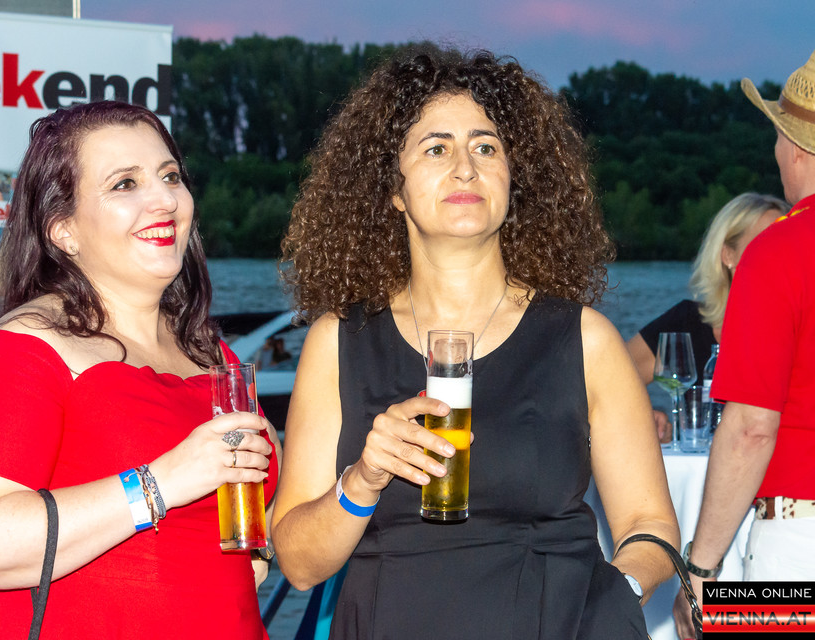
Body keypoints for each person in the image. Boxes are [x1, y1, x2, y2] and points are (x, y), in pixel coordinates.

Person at [273, 45, 678, 639]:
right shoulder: (339, 340)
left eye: (486, 147)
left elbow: (651, 526)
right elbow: (299, 564)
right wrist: (363, 478)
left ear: (514, 180)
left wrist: (612, 600)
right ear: (392, 188)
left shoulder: (584, 339)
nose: (465, 167)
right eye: (436, 148)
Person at [0, 101, 279, 638]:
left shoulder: (209, 351)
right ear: (63, 229)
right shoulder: (21, 351)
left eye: (170, 177)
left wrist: (261, 546)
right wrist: (161, 483)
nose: (165, 200)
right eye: (125, 184)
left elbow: (251, 493)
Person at [673, 50, 815, 639]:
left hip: (799, 545)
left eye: (777, 135)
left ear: (797, 147)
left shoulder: (778, 250)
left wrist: (700, 572)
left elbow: (752, 427)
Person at [626, 193, 787, 441]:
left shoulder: (801, 333)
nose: (777, 256)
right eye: (763, 243)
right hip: (697, 465)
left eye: (785, 245)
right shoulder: (686, 323)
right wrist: (644, 417)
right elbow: (604, 381)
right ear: (728, 255)